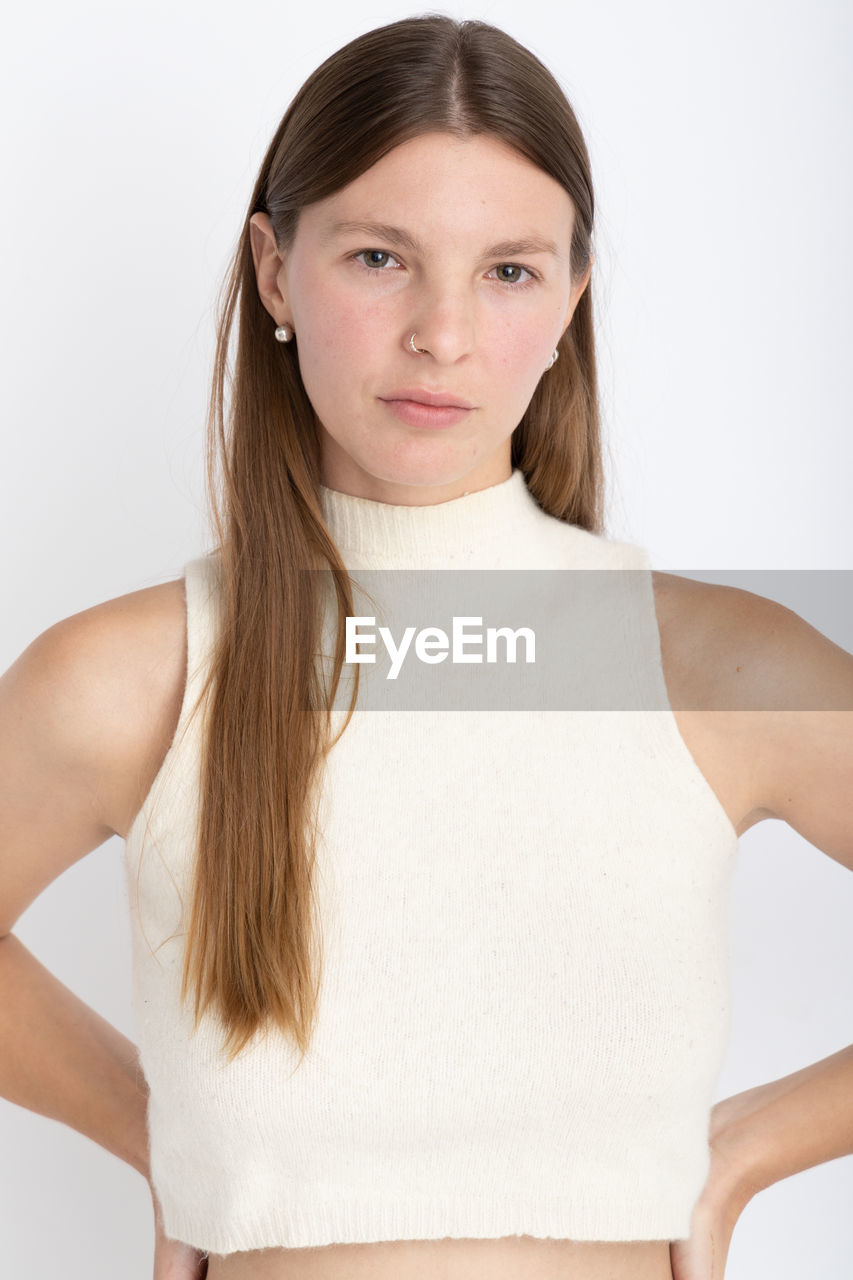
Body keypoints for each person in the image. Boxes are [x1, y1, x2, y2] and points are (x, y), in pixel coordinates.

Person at [1, 13, 851, 1280]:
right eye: (380, 257)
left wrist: (748, 1150)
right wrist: (163, 1134)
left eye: (507, 270)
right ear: (276, 271)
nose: (441, 334)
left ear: (570, 297)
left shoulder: (712, 667)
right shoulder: (133, 677)